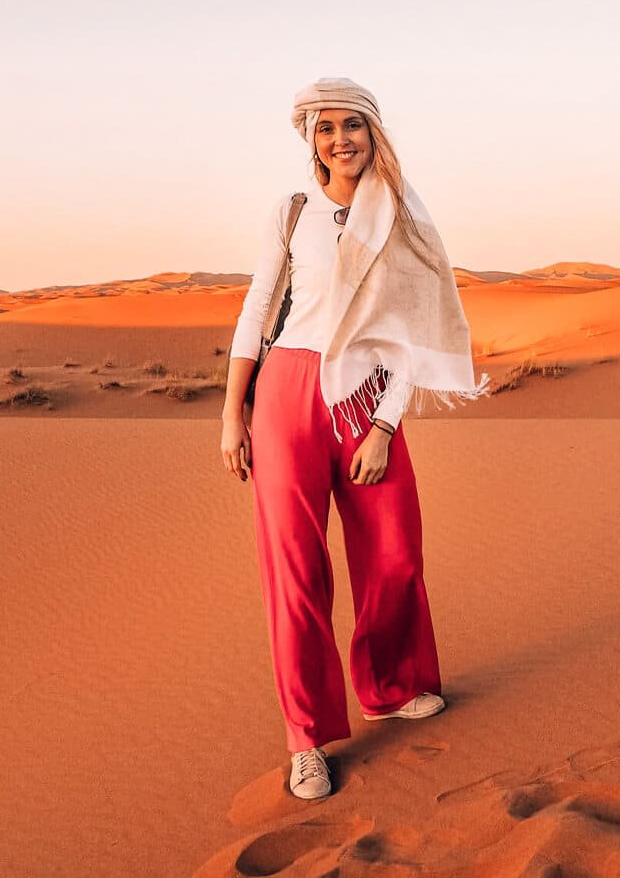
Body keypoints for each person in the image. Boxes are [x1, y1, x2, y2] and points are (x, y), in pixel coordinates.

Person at [219, 77, 490, 801]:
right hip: (286, 395)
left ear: (375, 134)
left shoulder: (401, 214)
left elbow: (409, 333)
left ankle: (390, 686)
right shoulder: (294, 211)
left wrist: (382, 424)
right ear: (309, 138)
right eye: (324, 127)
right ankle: (307, 740)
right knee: (296, 573)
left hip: (365, 399)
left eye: (353, 126)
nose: (340, 139)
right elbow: (257, 308)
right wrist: (230, 413)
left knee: (396, 553)